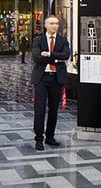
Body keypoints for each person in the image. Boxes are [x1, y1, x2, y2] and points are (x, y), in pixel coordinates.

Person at [31, 15, 71, 150]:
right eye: (52, 23)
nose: (55, 26)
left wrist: (48, 54)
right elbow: (36, 58)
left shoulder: (62, 40)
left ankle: (50, 136)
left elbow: (66, 55)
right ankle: (39, 138)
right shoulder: (38, 40)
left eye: (57, 23)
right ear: (46, 25)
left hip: (57, 78)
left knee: (54, 108)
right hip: (41, 78)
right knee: (40, 109)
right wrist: (55, 58)